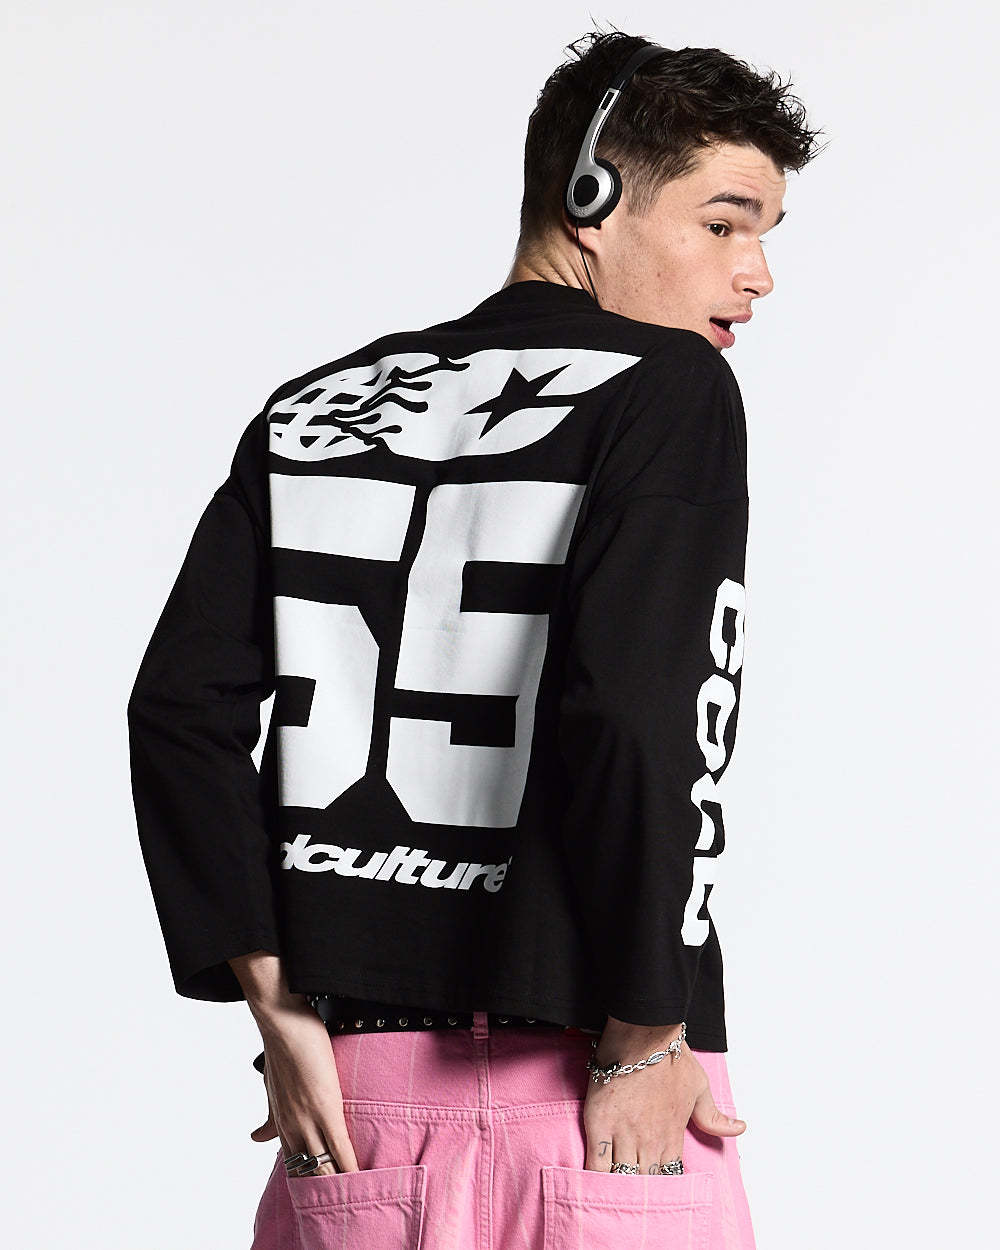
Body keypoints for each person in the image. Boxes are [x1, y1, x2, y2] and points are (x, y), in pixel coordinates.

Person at [126, 27, 824, 1250]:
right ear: (590, 198)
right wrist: (645, 1031)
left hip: (352, 1109)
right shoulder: (667, 388)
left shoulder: (316, 405)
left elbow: (178, 708)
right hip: (594, 1090)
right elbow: (640, 714)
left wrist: (276, 1006)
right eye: (723, 223)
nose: (756, 273)